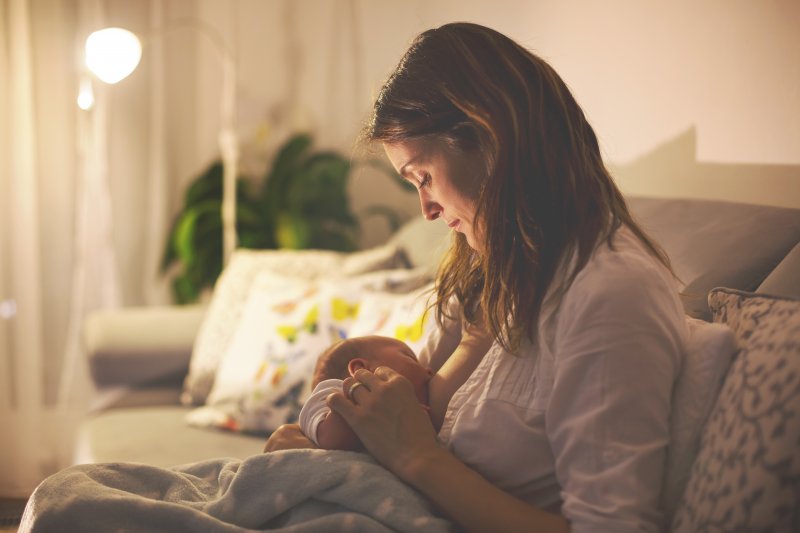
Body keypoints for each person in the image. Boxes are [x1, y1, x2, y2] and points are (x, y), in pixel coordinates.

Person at [265, 22, 687, 533]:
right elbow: (407, 411)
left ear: (488, 138)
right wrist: (313, 445)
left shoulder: (609, 296)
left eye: (422, 176)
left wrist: (419, 459)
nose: (425, 209)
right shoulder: (482, 274)